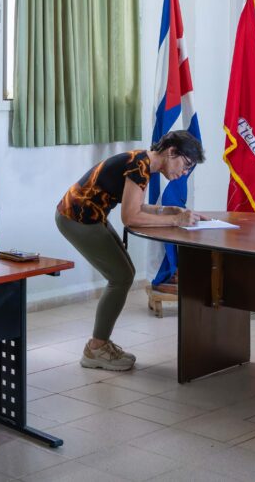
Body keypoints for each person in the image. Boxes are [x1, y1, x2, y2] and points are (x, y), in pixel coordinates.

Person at [56, 130, 206, 371]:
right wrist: (176, 222)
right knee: (121, 277)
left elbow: (135, 205)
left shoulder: (141, 162)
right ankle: (96, 348)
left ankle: (99, 344)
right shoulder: (140, 165)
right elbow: (130, 217)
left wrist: (171, 211)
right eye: (186, 164)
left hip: (87, 216)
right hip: (76, 218)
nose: (184, 172)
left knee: (124, 274)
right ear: (171, 152)